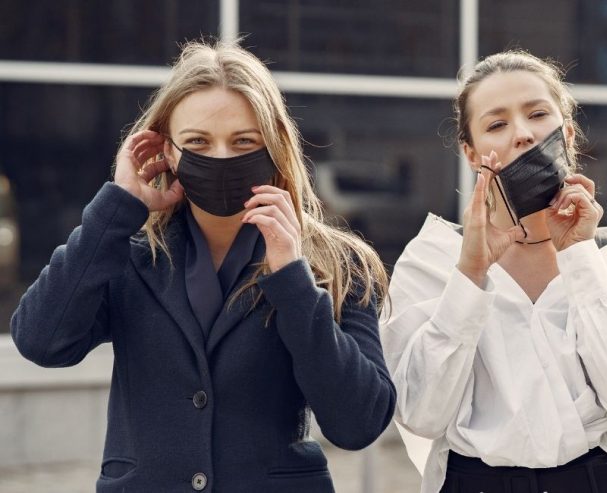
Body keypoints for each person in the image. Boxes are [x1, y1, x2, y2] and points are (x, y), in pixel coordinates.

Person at [10, 40, 396, 492]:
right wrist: (116, 208)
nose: (221, 157)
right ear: (167, 151)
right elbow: (41, 340)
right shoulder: (127, 251)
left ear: (272, 145)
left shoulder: (338, 262)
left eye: (243, 141)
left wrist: (292, 278)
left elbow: (358, 422)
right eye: (198, 142)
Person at [381, 50, 607, 493]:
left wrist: (579, 254)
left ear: (568, 134)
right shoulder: (433, 258)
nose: (522, 135)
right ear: (470, 151)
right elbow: (420, 413)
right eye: (496, 124)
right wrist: (470, 275)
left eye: (537, 114)